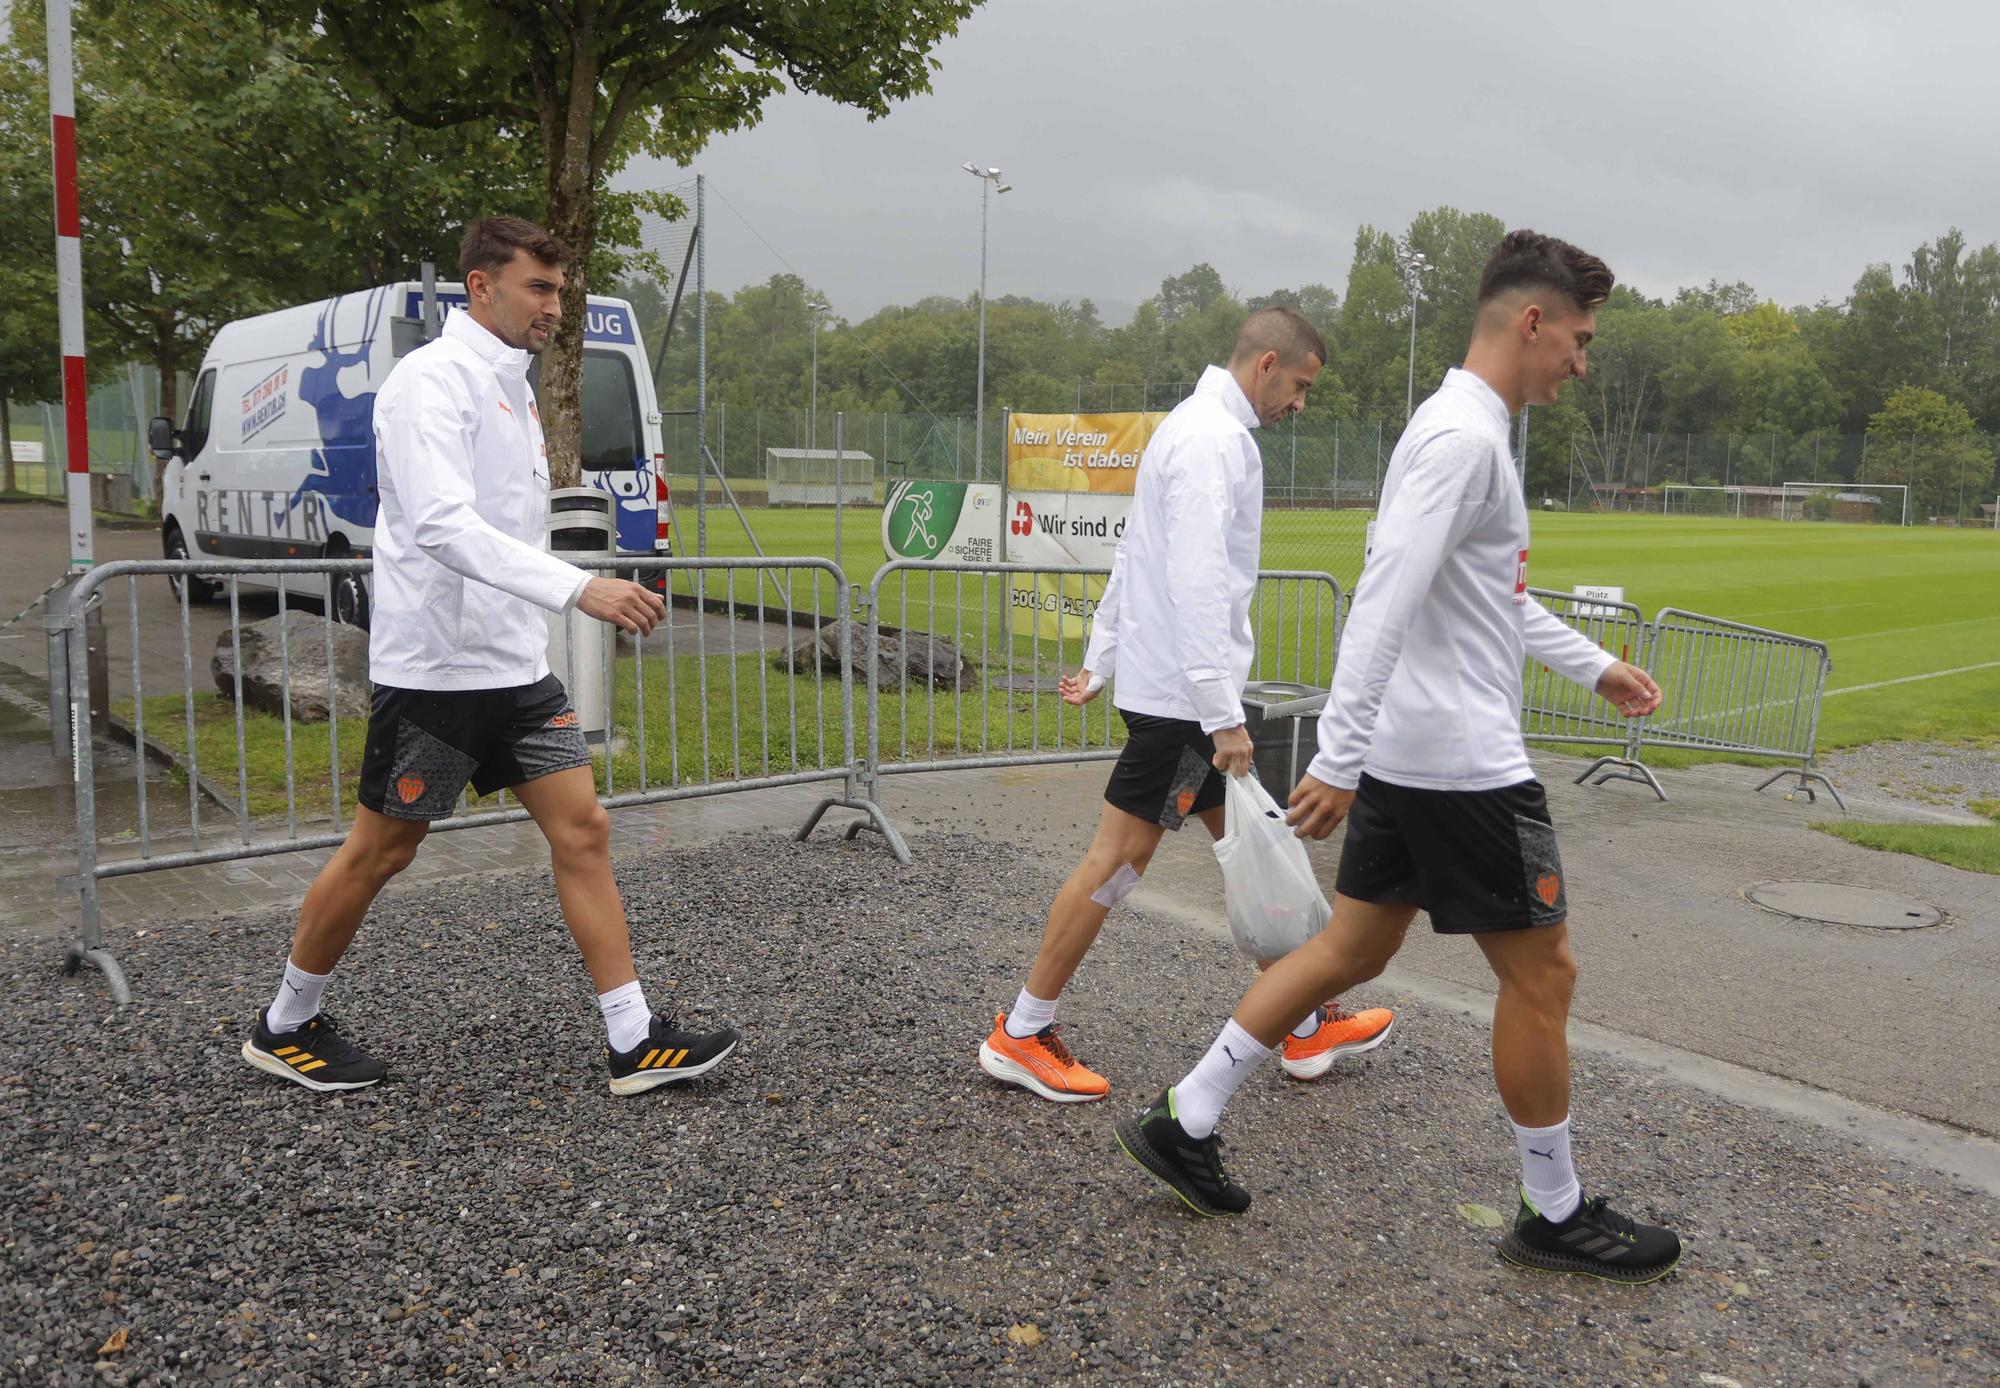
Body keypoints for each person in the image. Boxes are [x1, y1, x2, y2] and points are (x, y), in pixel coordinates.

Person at [1114, 230, 1683, 1286]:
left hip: (1421, 757)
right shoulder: (1463, 439)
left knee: (1347, 950)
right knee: (1544, 972)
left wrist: (1592, 663)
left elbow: (1491, 599)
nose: (1581, 361)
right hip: (1458, 763)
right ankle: (1551, 1209)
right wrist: (1335, 755)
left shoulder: (1462, 427)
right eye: (1579, 337)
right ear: (1530, 321)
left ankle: (1184, 1114)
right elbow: (1380, 597)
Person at [240, 216, 738, 1096]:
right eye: (539, 288)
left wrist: (546, 602)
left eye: (559, 289)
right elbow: (438, 523)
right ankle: (285, 1024)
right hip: (436, 671)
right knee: (381, 854)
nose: (555, 306)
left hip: (514, 668)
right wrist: (576, 587)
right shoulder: (430, 383)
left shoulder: (510, 381)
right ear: (481, 286)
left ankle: (632, 1038)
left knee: (583, 830)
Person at [977, 307, 1395, 1104]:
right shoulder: (1213, 441)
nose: (1300, 404)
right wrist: (1221, 714)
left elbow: (1137, 557)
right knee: (1116, 865)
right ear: (1268, 364)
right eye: (1301, 386)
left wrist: (1103, 661)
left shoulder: (1191, 428)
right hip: (1184, 707)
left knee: (1257, 840)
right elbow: (1197, 581)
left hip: (1178, 696)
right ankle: (1022, 1032)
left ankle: (1305, 1027)